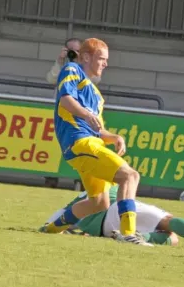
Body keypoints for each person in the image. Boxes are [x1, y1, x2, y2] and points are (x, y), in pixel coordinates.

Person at [43, 38, 148, 245]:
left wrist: (114, 137)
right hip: (80, 143)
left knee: (99, 203)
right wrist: (85, 114)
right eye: (102, 58)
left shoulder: (97, 96)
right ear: (86, 57)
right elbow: (66, 98)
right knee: (130, 176)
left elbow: (98, 129)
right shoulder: (73, 70)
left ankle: (51, 228)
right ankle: (128, 234)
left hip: (89, 144)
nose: (105, 64)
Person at [40, 185, 184, 253]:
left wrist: (75, 232)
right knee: (169, 223)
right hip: (120, 207)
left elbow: (49, 227)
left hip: (102, 230)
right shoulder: (109, 184)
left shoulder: (72, 206)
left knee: (173, 237)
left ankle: (137, 236)